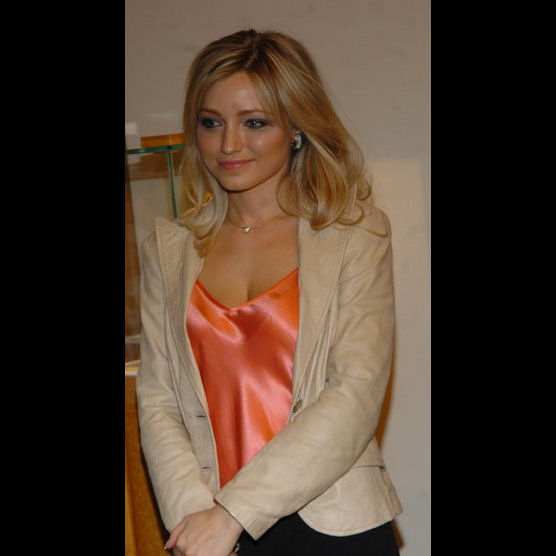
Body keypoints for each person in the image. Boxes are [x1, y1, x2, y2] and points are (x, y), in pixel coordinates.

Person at [136, 28, 403, 556]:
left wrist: (234, 511)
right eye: (211, 122)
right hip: (209, 528)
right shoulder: (168, 250)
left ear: (296, 128)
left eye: (254, 122)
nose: (229, 144)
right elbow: (159, 399)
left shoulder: (355, 234)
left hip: (333, 522)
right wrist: (195, 518)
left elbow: (355, 392)